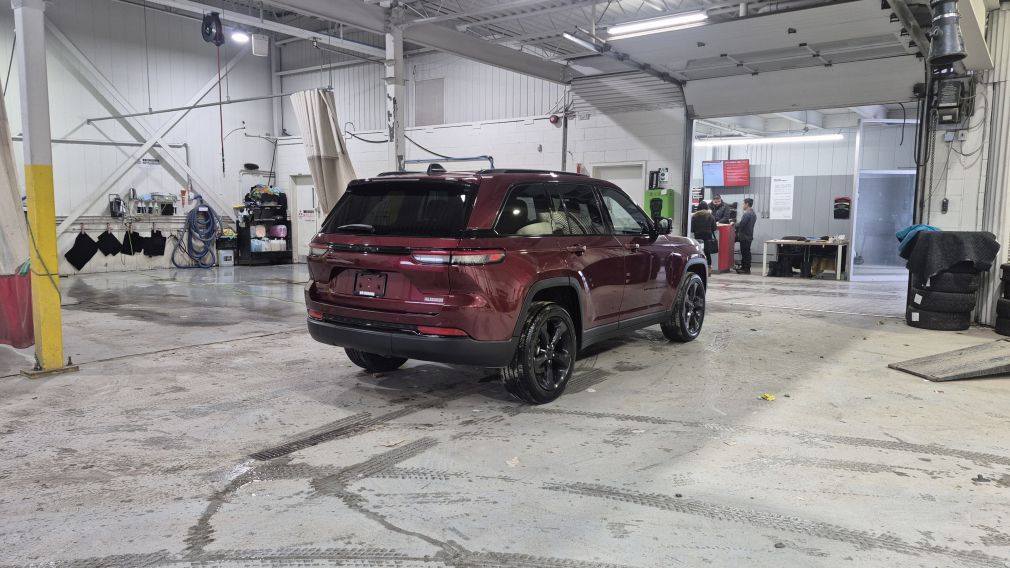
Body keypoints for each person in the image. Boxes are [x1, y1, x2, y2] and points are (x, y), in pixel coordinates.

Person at [691, 202, 718, 269]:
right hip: (707, 237)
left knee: (699, 252)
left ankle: (699, 268)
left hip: (698, 237)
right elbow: (714, 228)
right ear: (706, 207)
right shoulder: (710, 216)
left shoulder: (694, 216)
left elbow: (692, 229)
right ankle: (709, 270)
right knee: (707, 252)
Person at [735, 198, 756, 274]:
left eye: (743, 204)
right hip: (749, 236)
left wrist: (734, 225)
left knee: (745, 253)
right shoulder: (753, 213)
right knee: (746, 252)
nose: (743, 205)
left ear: (747, 204)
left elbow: (742, 224)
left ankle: (746, 269)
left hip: (745, 236)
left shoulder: (747, 214)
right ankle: (744, 267)